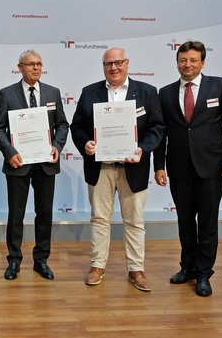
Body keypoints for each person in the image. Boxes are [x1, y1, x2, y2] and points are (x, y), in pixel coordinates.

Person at [70, 48, 164, 292]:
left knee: (134, 220)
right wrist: (85, 144)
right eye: (108, 63)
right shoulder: (90, 92)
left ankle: (136, 269)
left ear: (127, 64)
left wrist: (143, 149)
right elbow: (77, 125)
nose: (113, 67)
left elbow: (157, 128)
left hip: (134, 167)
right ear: (103, 67)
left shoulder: (146, 92)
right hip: (100, 167)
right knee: (100, 219)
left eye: (118, 62)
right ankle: (97, 265)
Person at [154, 41, 222, 297]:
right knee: (184, 223)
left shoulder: (220, 86)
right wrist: (159, 166)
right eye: (183, 60)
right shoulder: (166, 92)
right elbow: (162, 134)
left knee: (207, 223)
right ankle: (188, 268)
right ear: (177, 62)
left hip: (212, 167)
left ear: (203, 62)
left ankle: (204, 274)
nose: (187, 65)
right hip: (179, 167)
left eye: (193, 60)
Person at [0, 49, 69, 281]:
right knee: (16, 214)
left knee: (44, 213)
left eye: (39, 64)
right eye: (31, 64)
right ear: (20, 67)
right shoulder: (7, 94)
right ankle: (14, 260)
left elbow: (63, 125)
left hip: (46, 163)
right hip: (19, 163)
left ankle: (41, 260)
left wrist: (56, 146)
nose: (36, 68)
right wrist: (10, 152)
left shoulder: (53, 92)